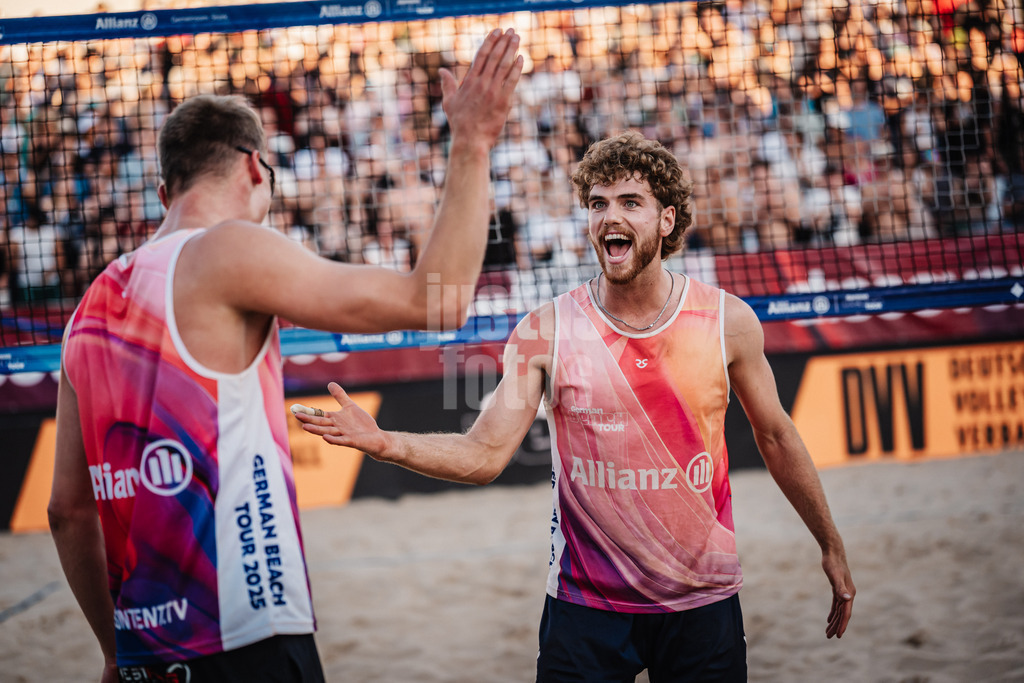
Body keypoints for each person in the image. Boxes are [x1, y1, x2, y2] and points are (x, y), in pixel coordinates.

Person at [47, 29, 522, 683]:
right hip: (248, 637)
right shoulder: (230, 248)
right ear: (252, 167)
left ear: (164, 193)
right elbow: (435, 304)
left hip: (147, 654)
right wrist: (473, 142)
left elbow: (67, 512)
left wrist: (112, 649)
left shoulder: (87, 311)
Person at [293, 131, 856, 681]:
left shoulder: (728, 322)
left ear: (666, 220)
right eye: (597, 203)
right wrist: (385, 442)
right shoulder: (544, 330)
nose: (610, 216)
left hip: (701, 601)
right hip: (585, 608)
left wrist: (830, 543)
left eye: (630, 202)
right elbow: (483, 453)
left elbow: (777, 436)